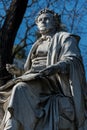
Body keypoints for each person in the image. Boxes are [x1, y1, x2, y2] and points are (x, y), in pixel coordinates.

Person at [0, 8, 87, 130]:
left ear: (55, 22)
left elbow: (73, 59)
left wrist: (56, 67)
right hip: (33, 78)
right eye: (40, 20)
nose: (43, 22)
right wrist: (19, 72)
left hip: (51, 81)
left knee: (20, 89)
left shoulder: (65, 38)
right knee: (1, 96)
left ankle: (12, 126)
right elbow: (29, 70)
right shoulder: (36, 44)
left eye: (46, 19)